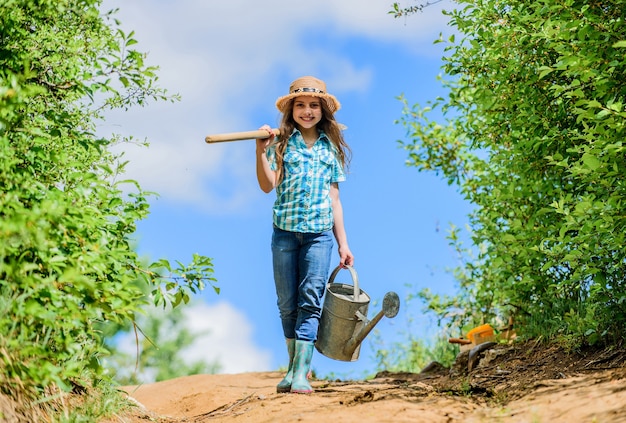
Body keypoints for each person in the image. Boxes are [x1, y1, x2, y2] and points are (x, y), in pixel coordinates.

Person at [255, 76, 354, 394]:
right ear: (291, 110)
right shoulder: (281, 143)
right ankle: (292, 368)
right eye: (301, 105)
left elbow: (335, 201)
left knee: (310, 302)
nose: (307, 111)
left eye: (314, 105)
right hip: (284, 234)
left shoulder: (331, 150)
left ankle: (300, 374)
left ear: (323, 110)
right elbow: (268, 185)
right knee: (287, 304)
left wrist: (343, 243)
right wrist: (261, 152)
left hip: (319, 237)